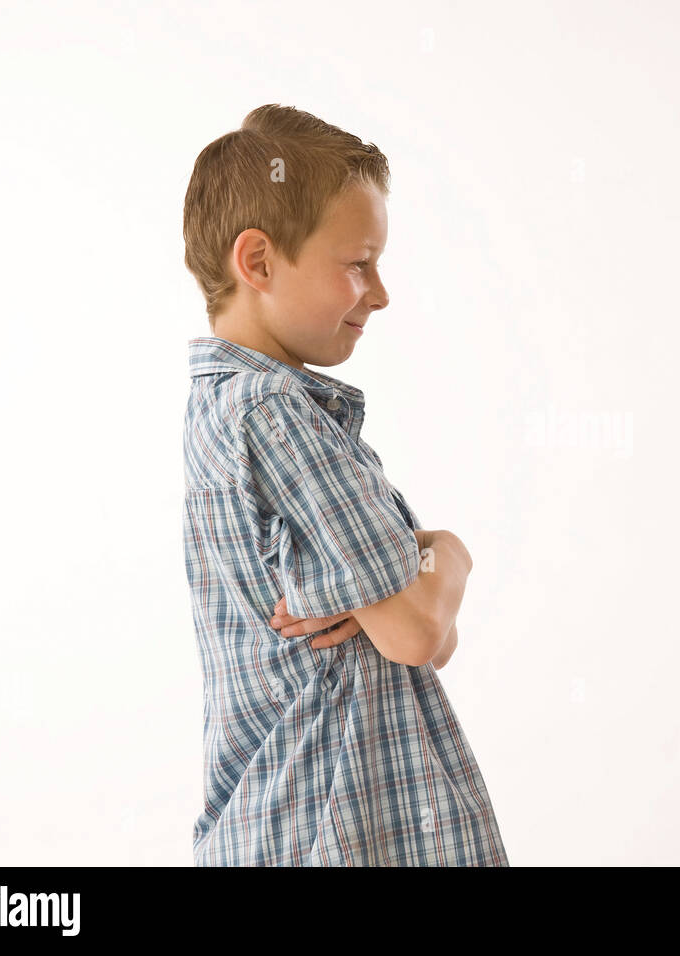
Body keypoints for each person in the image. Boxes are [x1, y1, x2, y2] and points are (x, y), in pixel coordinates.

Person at [181, 104, 507, 865]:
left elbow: (429, 635)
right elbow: (419, 630)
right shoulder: (273, 412)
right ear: (257, 262)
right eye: (358, 264)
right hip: (334, 833)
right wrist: (450, 550)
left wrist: (417, 592)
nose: (381, 292)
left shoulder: (237, 408)